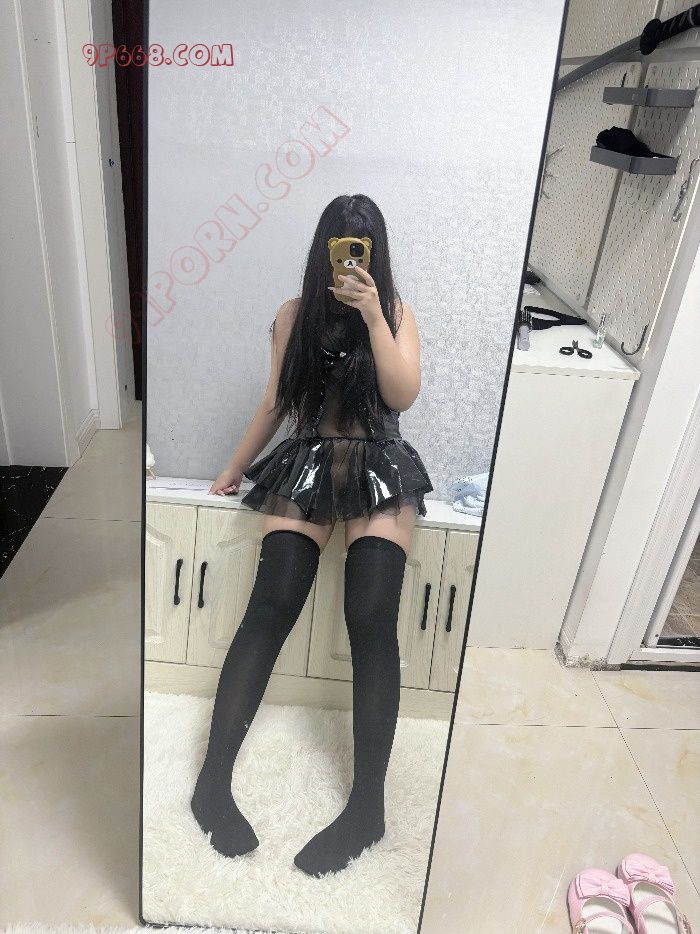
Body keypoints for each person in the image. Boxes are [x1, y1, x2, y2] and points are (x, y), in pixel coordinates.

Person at [191, 193, 433, 877]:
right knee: (269, 608)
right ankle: (211, 785)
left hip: (380, 464)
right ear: (324, 248)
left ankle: (368, 808)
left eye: (363, 247)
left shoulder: (397, 313)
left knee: (371, 620)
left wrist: (373, 315)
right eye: (341, 245)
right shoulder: (293, 315)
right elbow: (275, 402)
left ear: (376, 254)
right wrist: (233, 467)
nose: (350, 259)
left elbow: (402, 395)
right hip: (309, 460)